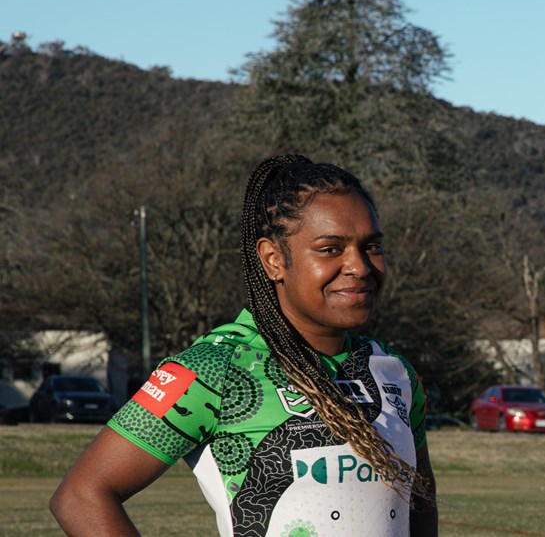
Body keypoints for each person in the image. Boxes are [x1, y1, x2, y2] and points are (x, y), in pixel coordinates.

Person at [51, 155, 438, 536]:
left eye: (371, 246)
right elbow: (82, 496)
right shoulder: (213, 369)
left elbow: (418, 499)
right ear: (273, 259)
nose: (359, 266)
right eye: (330, 249)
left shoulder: (395, 372)